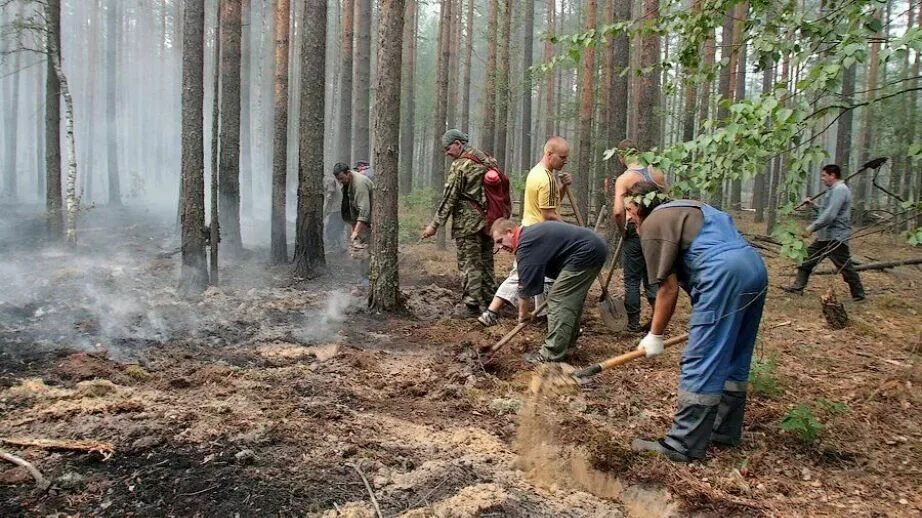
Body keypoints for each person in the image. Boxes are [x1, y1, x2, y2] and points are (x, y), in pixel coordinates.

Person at [623, 181, 768, 463]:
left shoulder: (653, 225)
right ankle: (724, 430)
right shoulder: (688, 207)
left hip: (723, 276)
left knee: (703, 358)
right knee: (735, 354)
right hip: (755, 268)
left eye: (630, 209)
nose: (628, 216)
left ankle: (682, 444)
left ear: (642, 206)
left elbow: (667, 288)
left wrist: (655, 334)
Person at [478, 137, 573, 327]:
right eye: (562, 157)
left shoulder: (540, 173)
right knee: (525, 275)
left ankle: (537, 314)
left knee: (530, 274)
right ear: (549, 154)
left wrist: (563, 187)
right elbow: (548, 214)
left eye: (566, 158)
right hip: (539, 234)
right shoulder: (545, 179)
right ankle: (495, 312)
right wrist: (570, 231)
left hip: (533, 230)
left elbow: (550, 204)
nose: (565, 161)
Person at [492, 218, 608, 363]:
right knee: (570, 301)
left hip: (586, 252)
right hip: (592, 249)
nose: (500, 247)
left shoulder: (526, 244)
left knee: (558, 299)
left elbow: (524, 287)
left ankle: (550, 355)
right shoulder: (530, 237)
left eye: (500, 241)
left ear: (510, 232)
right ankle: (567, 347)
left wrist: (523, 315)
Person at [421, 129, 497, 316]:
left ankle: (471, 305)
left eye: (448, 148)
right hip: (489, 221)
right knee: (486, 261)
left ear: (458, 143)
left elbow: (450, 197)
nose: (446, 152)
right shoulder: (487, 160)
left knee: (469, 262)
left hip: (468, 223)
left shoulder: (461, 165)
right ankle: (491, 302)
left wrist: (434, 225)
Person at [782, 164, 866, 301]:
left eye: (824, 175)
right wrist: (813, 205)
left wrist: (812, 227)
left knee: (845, 267)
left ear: (832, 175)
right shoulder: (833, 190)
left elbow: (830, 215)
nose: (822, 179)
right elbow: (826, 210)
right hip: (825, 236)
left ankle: (859, 295)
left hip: (836, 237)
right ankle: (797, 288)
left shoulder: (840, 190)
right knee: (806, 260)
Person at [612, 139, 667, 333]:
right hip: (658, 230)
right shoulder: (658, 172)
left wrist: (623, 231)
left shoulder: (625, 179)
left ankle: (633, 324)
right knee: (653, 276)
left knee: (632, 279)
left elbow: (618, 211)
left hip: (635, 230)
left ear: (621, 156)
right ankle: (657, 320)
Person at [334, 162, 374, 283]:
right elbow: (351, 207)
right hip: (360, 221)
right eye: (338, 179)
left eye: (342, 178)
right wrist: (353, 227)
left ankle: (368, 279)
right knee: (361, 249)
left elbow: (365, 210)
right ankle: (363, 277)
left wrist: (356, 231)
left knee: (368, 250)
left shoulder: (360, 184)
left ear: (348, 173)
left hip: (370, 221)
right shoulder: (348, 183)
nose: (340, 181)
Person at [324, 166, 348, 253]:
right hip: (339, 209)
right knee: (339, 228)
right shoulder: (331, 180)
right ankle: (341, 246)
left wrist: (325, 211)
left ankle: (334, 247)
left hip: (336, 209)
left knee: (331, 229)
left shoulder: (329, 180)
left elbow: (329, 197)